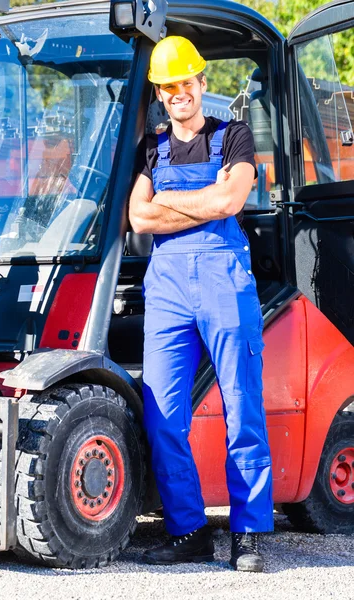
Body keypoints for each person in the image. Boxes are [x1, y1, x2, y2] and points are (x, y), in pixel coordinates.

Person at [129, 36, 273, 573]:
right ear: (162, 95)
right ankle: (188, 529)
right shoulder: (153, 147)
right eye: (169, 87)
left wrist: (166, 200)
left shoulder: (233, 135)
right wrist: (197, 204)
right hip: (167, 287)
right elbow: (139, 219)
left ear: (201, 84)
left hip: (223, 279)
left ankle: (250, 532)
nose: (178, 94)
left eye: (186, 83)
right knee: (163, 415)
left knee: (243, 406)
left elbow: (229, 200)